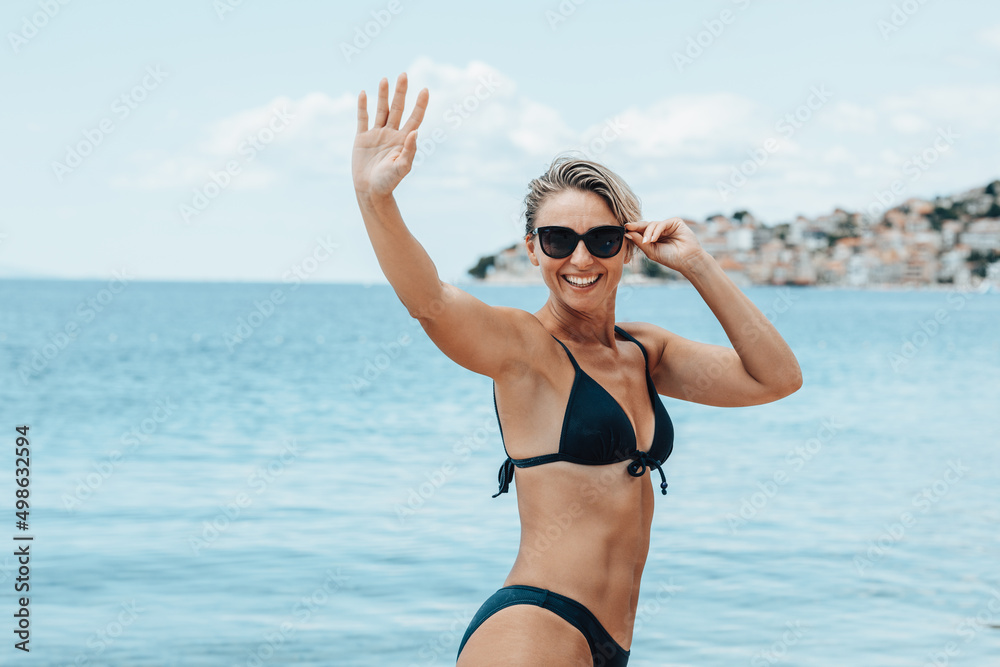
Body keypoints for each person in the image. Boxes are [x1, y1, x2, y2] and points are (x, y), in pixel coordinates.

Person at [352, 73, 802, 666]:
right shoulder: (524, 349)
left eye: (603, 238)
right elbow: (429, 299)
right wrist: (375, 199)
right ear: (533, 248)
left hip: (610, 643)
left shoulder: (647, 352)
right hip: (535, 628)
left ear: (629, 246)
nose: (581, 258)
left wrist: (697, 265)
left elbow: (776, 378)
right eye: (559, 239)